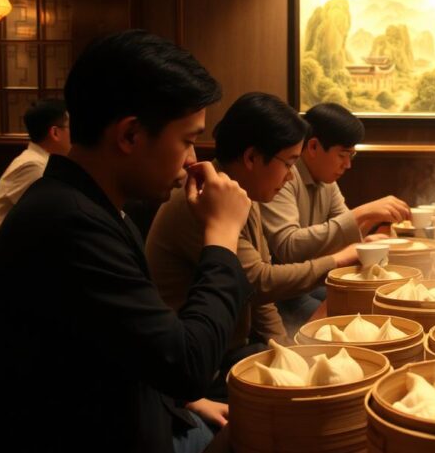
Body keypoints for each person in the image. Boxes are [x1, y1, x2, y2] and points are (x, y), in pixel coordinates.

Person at [0, 30, 254, 453]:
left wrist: (185, 401)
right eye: (188, 140)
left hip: (139, 411)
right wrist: (223, 236)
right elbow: (188, 364)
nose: (193, 160)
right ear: (130, 135)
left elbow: (130, 342)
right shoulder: (69, 223)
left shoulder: (91, 205)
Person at [146, 92, 359, 387]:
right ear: (251, 158)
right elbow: (257, 282)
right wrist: (337, 261)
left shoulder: (242, 192)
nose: (291, 177)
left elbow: (259, 299)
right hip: (191, 365)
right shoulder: (202, 198)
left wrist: (286, 351)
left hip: (225, 348)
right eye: (289, 164)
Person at [260, 102, 408, 325]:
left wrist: (368, 231)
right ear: (313, 147)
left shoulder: (326, 180)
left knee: (372, 303)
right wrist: (362, 213)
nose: (347, 165)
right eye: (342, 155)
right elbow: (288, 247)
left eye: (351, 155)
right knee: (350, 320)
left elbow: (343, 232)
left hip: (313, 281)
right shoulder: (284, 176)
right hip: (283, 294)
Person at [0, 98, 71, 261]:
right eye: (71, 127)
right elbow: (50, 219)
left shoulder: (40, 161)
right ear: (55, 133)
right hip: (8, 268)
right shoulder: (32, 166)